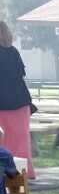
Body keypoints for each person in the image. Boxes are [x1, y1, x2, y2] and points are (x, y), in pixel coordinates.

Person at [0, 22, 35, 179]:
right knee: (21, 140)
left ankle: (4, 173)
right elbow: (20, 76)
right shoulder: (14, 52)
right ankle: (22, 174)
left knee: (3, 140)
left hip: (2, 103)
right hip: (20, 102)